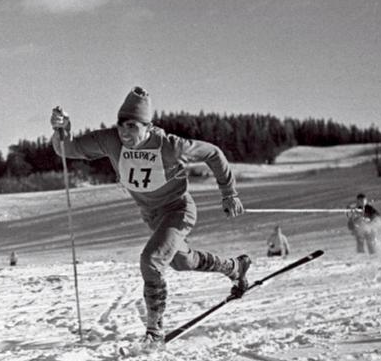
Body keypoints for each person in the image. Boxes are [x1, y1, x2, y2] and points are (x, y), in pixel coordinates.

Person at [50, 86, 250, 340]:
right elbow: (66, 149)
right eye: (121, 125)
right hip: (152, 216)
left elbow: (213, 153)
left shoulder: (170, 146)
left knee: (151, 260)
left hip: (179, 210)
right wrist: (61, 129)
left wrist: (229, 192)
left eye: (132, 126)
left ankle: (154, 332)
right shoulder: (110, 140)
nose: (124, 132)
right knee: (181, 261)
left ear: (147, 126)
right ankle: (235, 268)